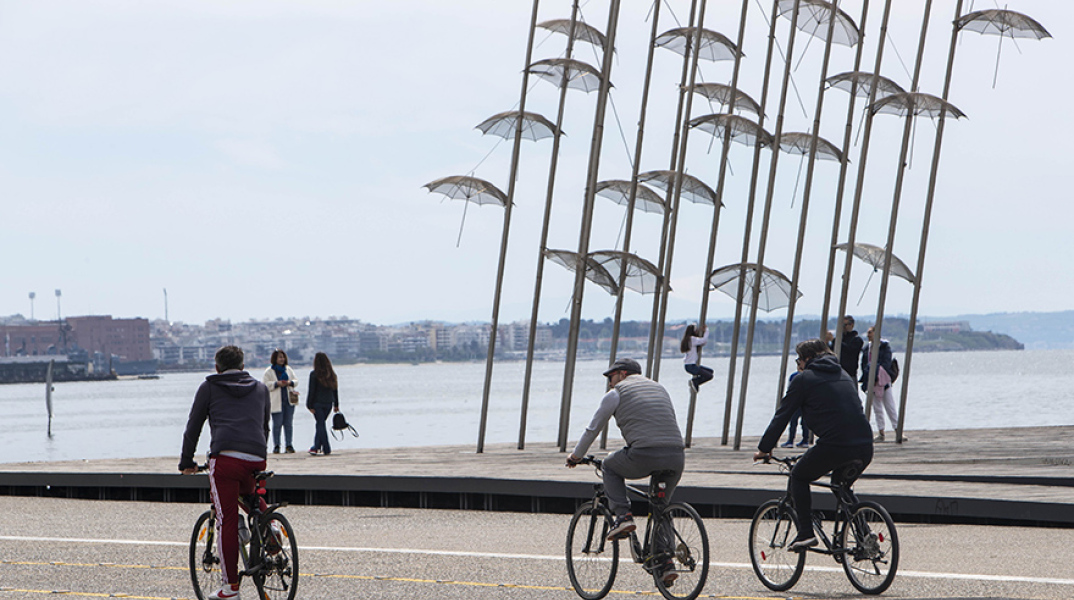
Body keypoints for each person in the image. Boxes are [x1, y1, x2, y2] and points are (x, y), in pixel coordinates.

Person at [565, 357, 685, 587]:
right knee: (661, 508)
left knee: (609, 466)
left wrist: (575, 457)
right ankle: (665, 563)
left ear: (621, 374)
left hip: (645, 454)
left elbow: (593, 429)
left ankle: (623, 516)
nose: (610, 383)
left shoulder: (616, 393)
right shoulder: (659, 387)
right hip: (676, 456)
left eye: (610, 378)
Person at [754, 339, 873, 551]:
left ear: (807, 358)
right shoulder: (843, 374)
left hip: (836, 444)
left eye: (798, 360)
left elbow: (782, 415)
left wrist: (765, 448)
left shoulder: (803, 379)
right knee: (841, 484)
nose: (798, 364)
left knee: (799, 476)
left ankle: (806, 533)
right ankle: (865, 535)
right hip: (865, 444)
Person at [179, 345, 271, 600]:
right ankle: (270, 529)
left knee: (226, 519)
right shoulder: (261, 388)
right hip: (256, 456)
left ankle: (230, 589)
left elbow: (193, 426)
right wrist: (258, 455)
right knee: (250, 496)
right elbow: (265, 427)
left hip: (226, 459)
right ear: (242, 366)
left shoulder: (209, 387)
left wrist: (186, 460)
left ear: (217, 367)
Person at [861, 326, 900, 442]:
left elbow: (886, 362)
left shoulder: (884, 346)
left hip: (883, 380)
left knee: (890, 405)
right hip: (871, 381)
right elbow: (864, 363)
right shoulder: (866, 348)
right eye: (868, 333)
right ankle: (881, 431)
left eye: (870, 332)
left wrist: (877, 370)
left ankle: (897, 429)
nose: (868, 335)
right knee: (877, 408)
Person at [261, 349, 299, 454]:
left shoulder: (288, 369)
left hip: (288, 401)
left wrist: (289, 383)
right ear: (275, 359)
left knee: (288, 424)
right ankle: (276, 445)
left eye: (283, 357)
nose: (282, 359)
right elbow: (265, 385)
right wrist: (277, 384)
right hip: (276, 402)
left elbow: (296, 381)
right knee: (277, 424)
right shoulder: (269, 371)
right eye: (280, 357)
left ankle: (289, 445)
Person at [306, 351, 340, 456]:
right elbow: (335, 390)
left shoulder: (314, 374)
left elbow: (311, 391)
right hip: (329, 403)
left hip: (317, 403)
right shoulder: (332, 374)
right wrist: (336, 404)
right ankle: (316, 447)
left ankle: (326, 448)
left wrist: (309, 405)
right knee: (320, 424)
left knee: (320, 424)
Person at [780, 358, 812, 448]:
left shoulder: (794, 376)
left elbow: (790, 389)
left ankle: (790, 441)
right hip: (806, 402)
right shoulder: (810, 376)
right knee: (805, 423)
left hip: (796, 402)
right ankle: (805, 440)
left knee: (793, 422)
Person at [826, 315, 864, 380]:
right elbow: (830, 352)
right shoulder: (838, 340)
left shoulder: (857, 340)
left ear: (851, 325)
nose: (843, 328)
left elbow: (849, 350)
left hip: (850, 374)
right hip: (836, 373)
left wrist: (833, 340)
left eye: (844, 325)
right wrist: (826, 343)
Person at [681, 324, 714, 393]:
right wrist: (706, 331)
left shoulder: (687, 340)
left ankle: (695, 382)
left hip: (690, 366)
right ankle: (695, 382)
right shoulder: (692, 339)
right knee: (709, 376)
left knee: (710, 371)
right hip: (691, 366)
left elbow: (701, 343)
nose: (697, 332)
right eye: (696, 330)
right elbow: (703, 341)